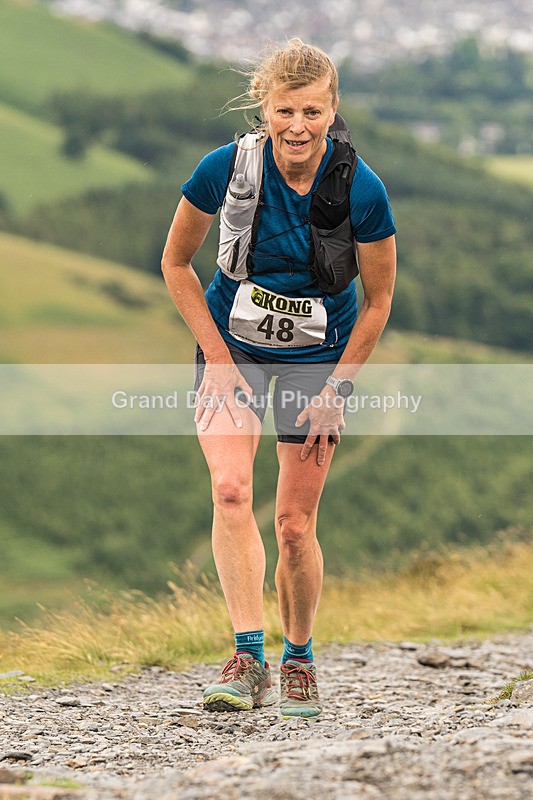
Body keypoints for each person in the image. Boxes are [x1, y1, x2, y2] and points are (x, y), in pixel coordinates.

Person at [161, 38, 396, 719]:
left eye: (312, 112)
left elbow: (378, 302)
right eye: (285, 111)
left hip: (317, 360)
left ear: (332, 111)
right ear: (264, 108)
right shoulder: (223, 169)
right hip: (230, 344)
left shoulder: (362, 188)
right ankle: (245, 657)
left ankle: (298, 659)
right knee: (231, 490)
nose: (297, 126)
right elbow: (176, 264)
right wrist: (217, 359)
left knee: (294, 524)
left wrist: (335, 393)